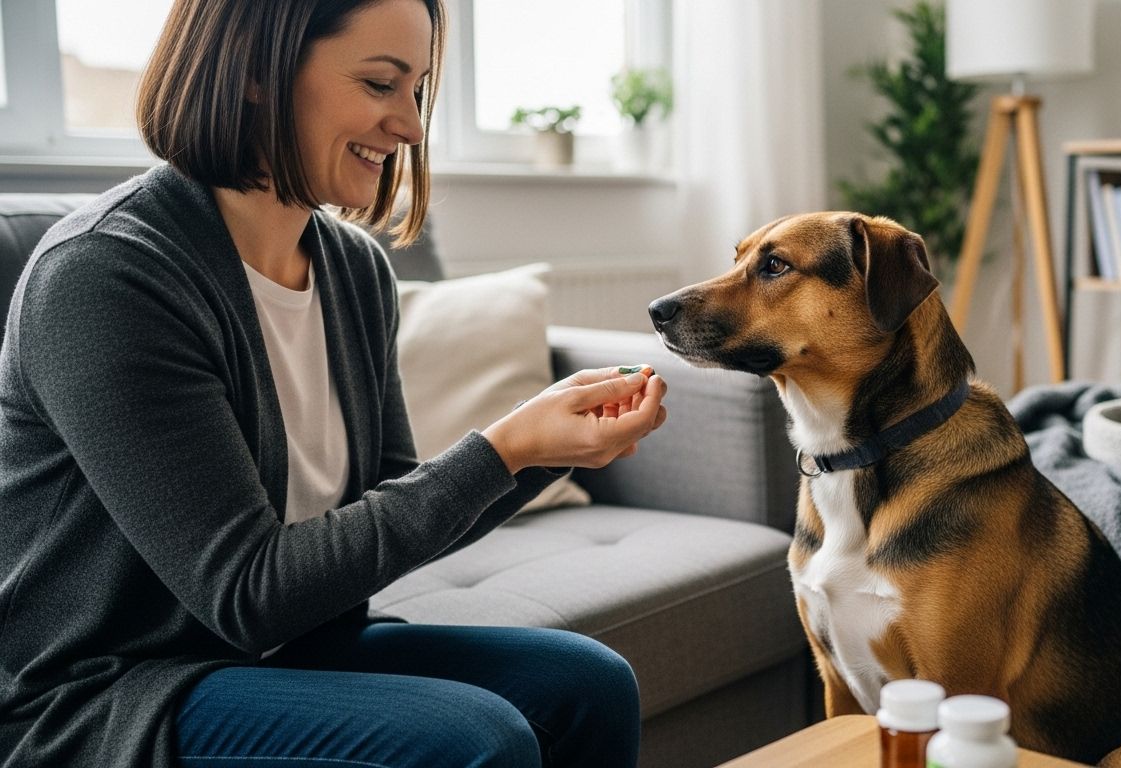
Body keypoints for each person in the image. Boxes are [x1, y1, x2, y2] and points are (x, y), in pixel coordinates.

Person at [0, 0, 666, 765]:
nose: (412, 126)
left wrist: (544, 450)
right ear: (255, 69)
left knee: (588, 683)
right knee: (473, 740)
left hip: (289, 648)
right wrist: (506, 448)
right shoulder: (107, 276)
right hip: (107, 693)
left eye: (416, 90)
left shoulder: (353, 269)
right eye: (381, 84)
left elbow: (385, 504)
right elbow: (248, 593)